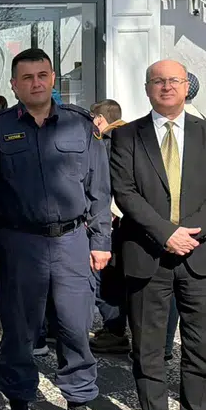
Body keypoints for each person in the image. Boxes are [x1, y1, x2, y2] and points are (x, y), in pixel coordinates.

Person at [0, 49, 111, 410]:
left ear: (53, 78)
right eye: (27, 77)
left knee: (75, 329)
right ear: (14, 85)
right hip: (19, 244)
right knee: (19, 334)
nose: (36, 83)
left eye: (42, 75)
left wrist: (101, 241)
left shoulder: (80, 125)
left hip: (72, 242)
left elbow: (99, 189)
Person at [109, 59, 206, 410]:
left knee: (201, 348)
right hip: (148, 255)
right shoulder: (126, 136)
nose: (166, 87)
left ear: (186, 87)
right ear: (147, 89)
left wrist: (190, 233)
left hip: (201, 255)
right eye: (158, 81)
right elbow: (125, 193)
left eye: (174, 81)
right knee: (148, 348)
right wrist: (166, 233)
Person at [88, 99, 128, 354]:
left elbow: (103, 184)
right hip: (126, 220)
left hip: (112, 220)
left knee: (105, 278)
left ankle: (115, 331)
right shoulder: (133, 135)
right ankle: (116, 328)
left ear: (100, 119)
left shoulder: (107, 141)